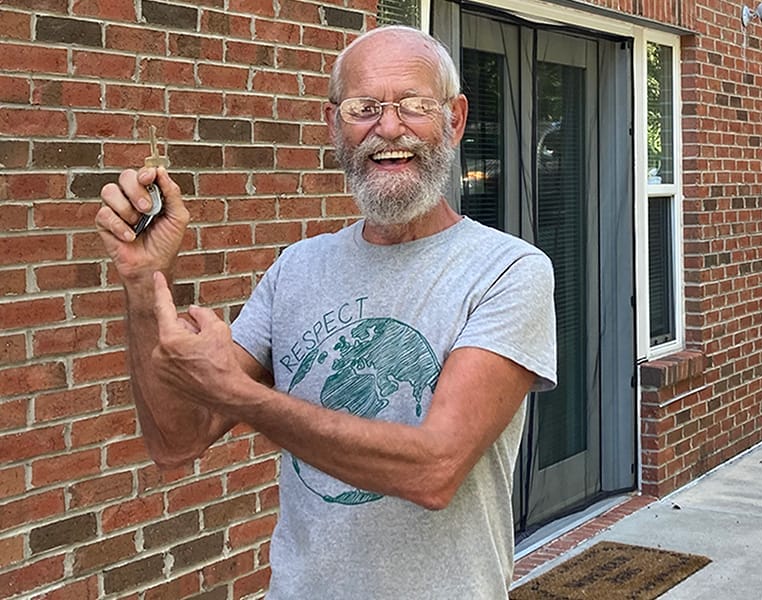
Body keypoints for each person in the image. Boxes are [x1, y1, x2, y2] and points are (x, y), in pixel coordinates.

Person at [96, 25, 557, 599]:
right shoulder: (297, 268)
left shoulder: (507, 270)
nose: (389, 128)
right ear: (335, 124)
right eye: (365, 108)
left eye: (415, 105)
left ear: (455, 120)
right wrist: (142, 283)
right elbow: (176, 440)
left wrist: (238, 396)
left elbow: (434, 469)